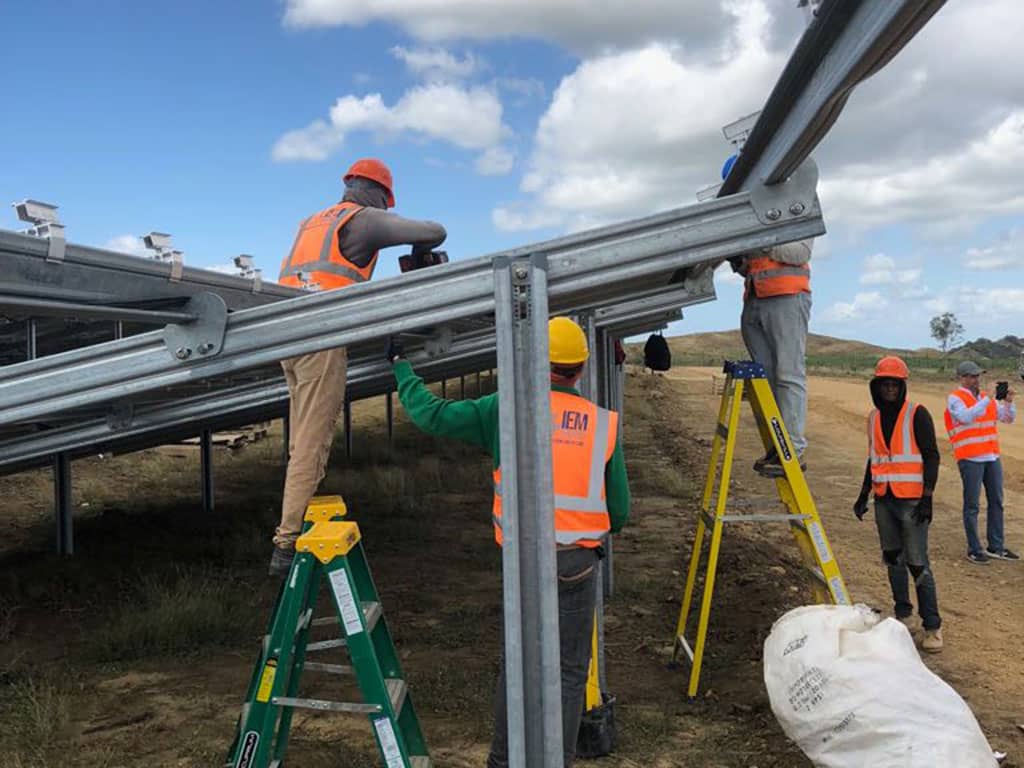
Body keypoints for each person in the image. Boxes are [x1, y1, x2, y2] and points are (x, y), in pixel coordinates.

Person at [388, 317, 630, 768]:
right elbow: (620, 511)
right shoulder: (603, 424)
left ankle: (502, 761)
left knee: (517, 665)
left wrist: (402, 369)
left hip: (524, 560)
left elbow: (431, 414)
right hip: (577, 562)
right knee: (570, 672)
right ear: (581, 368)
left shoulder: (507, 409)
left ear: (536, 361)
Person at [269, 158, 447, 576]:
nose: (386, 209)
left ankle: (294, 515)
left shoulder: (314, 222)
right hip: (320, 338)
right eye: (386, 202)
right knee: (312, 441)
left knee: (302, 437)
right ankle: (286, 543)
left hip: (285, 335)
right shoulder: (363, 219)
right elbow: (434, 231)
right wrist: (419, 252)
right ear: (377, 193)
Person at [722, 157, 813, 478]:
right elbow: (751, 264)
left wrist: (760, 240)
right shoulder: (747, 212)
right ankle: (779, 444)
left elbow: (799, 253)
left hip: (787, 298)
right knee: (768, 377)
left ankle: (793, 449)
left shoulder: (795, 204)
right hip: (756, 298)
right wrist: (740, 259)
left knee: (789, 374)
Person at [853, 356, 942, 652]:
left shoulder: (917, 414)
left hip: (912, 502)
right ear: (876, 387)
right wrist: (863, 494)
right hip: (884, 500)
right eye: (885, 384)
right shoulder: (874, 418)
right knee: (893, 559)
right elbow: (874, 458)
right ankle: (904, 617)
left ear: (902, 386)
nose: (889, 389)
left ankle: (932, 626)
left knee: (918, 563)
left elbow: (932, 455)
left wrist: (927, 497)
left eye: (894, 384)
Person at [944, 360, 1018, 564]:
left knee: (997, 501)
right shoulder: (955, 398)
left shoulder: (986, 398)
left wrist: (1008, 402)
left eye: (977, 375)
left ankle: (996, 546)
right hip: (970, 458)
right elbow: (966, 417)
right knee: (972, 505)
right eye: (972, 376)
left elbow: (1007, 418)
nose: (976, 379)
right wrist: (988, 399)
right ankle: (974, 549)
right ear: (962, 378)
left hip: (991, 456)